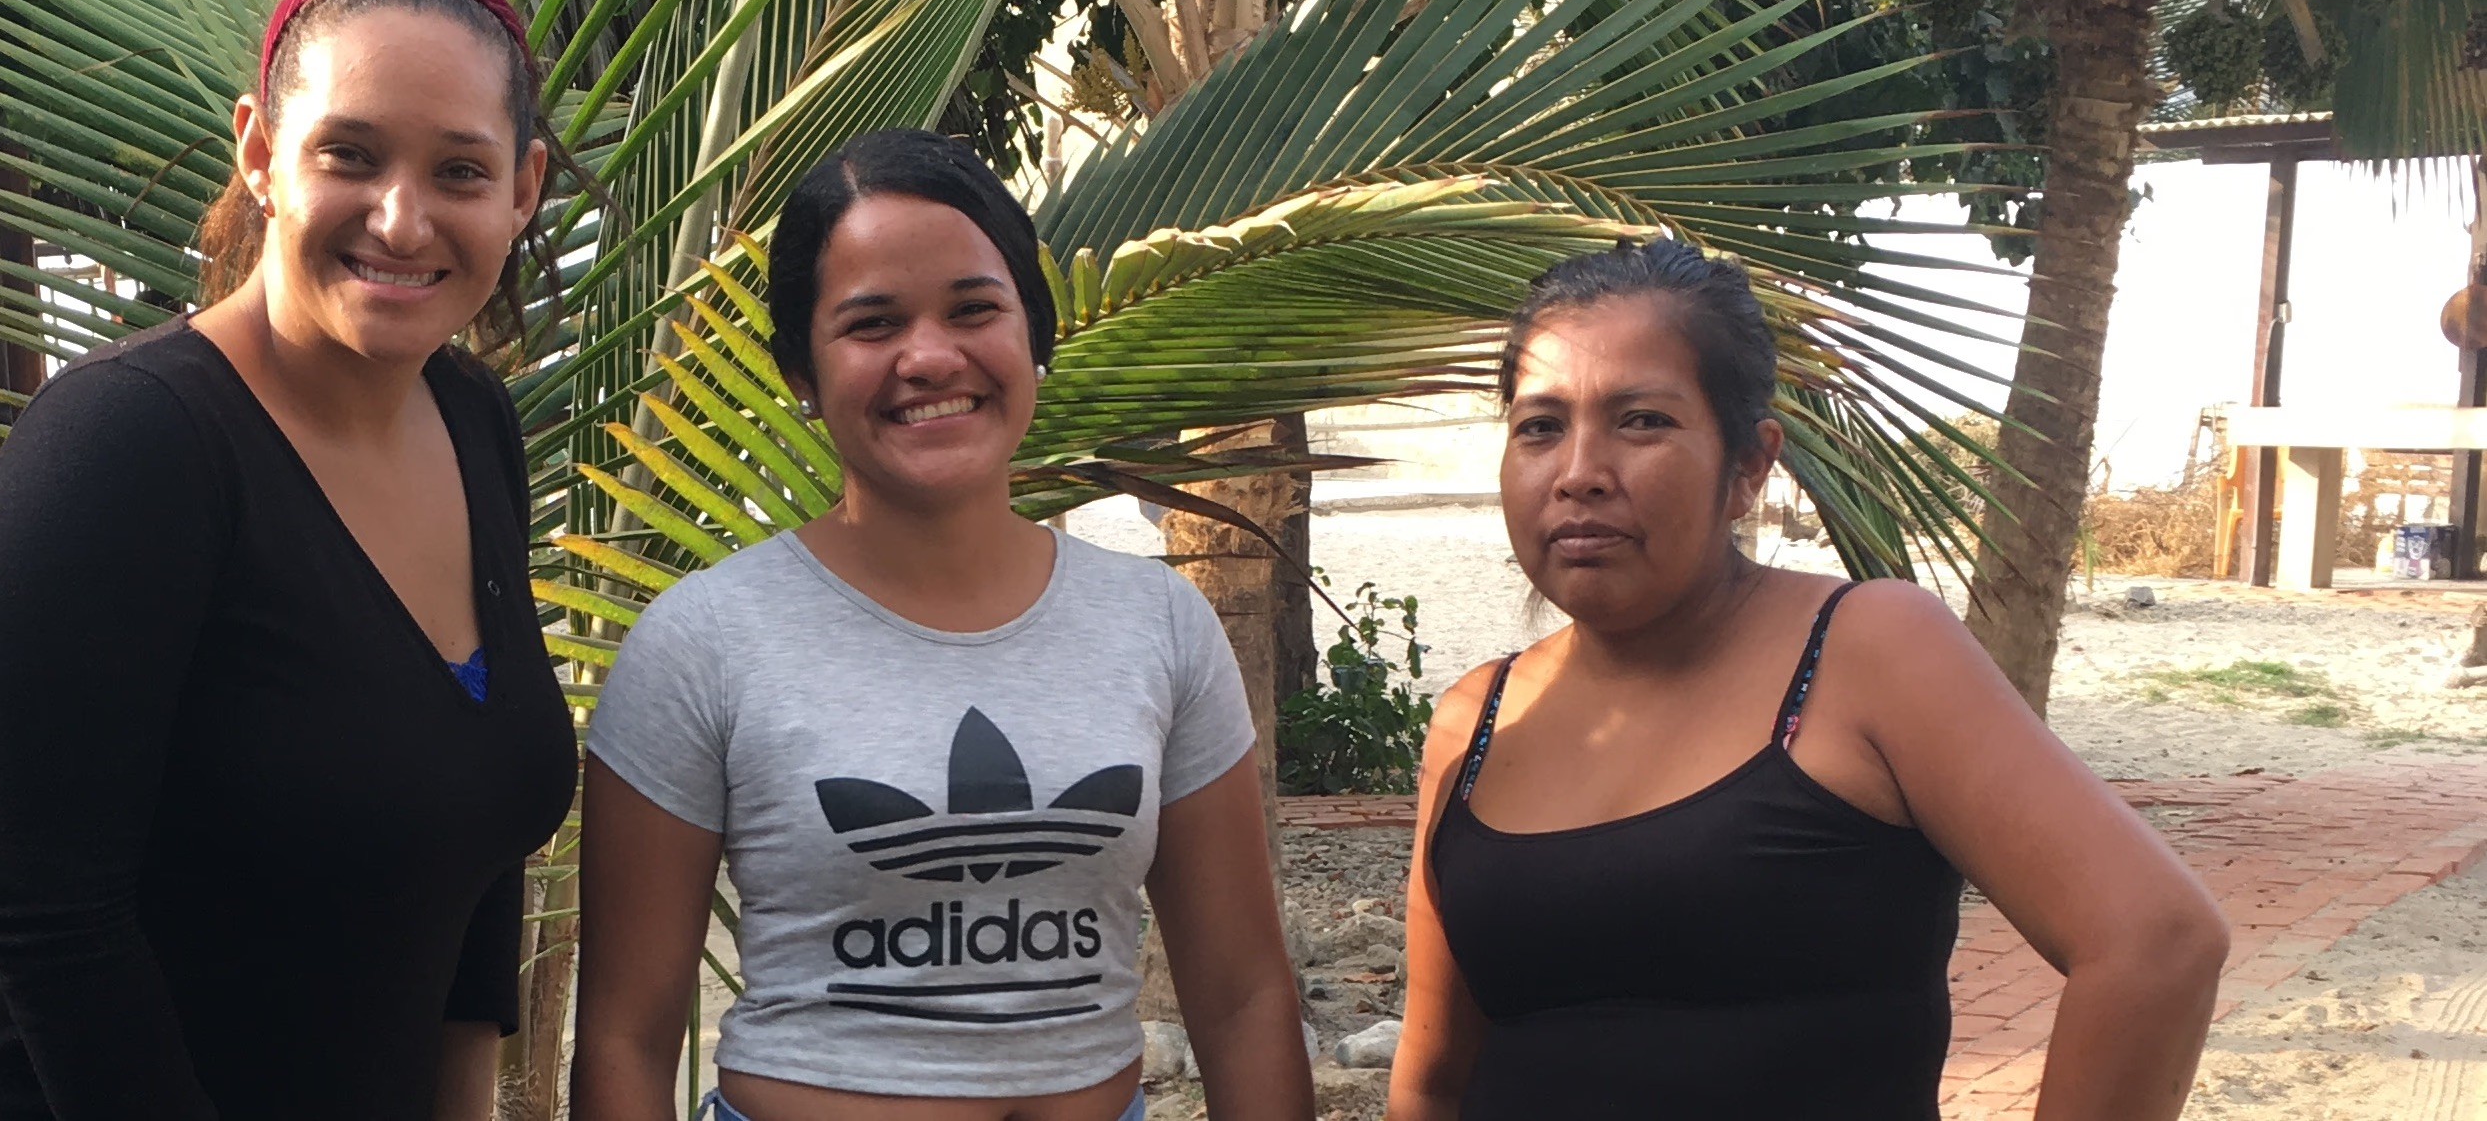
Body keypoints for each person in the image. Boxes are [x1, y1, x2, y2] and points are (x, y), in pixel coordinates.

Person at [0, 0, 583, 1121]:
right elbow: (49, 922)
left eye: (460, 169)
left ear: (522, 188)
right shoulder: (129, 445)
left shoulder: (475, 424)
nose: (401, 220)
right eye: (349, 155)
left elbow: (472, 835)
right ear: (260, 152)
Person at [1386, 238, 2230, 1121]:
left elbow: (2155, 944)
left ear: (1748, 465)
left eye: (1642, 421)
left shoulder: (1866, 651)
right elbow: (1435, 1078)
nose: (1578, 474)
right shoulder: (1476, 719)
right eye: (1539, 426)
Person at [571, 128, 1313, 1121]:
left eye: (974, 309)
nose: (929, 356)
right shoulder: (703, 641)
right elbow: (624, 1033)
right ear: (801, 368)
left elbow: (1242, 998)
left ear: (1034, 335)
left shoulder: (1160, 624)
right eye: (872, 324)